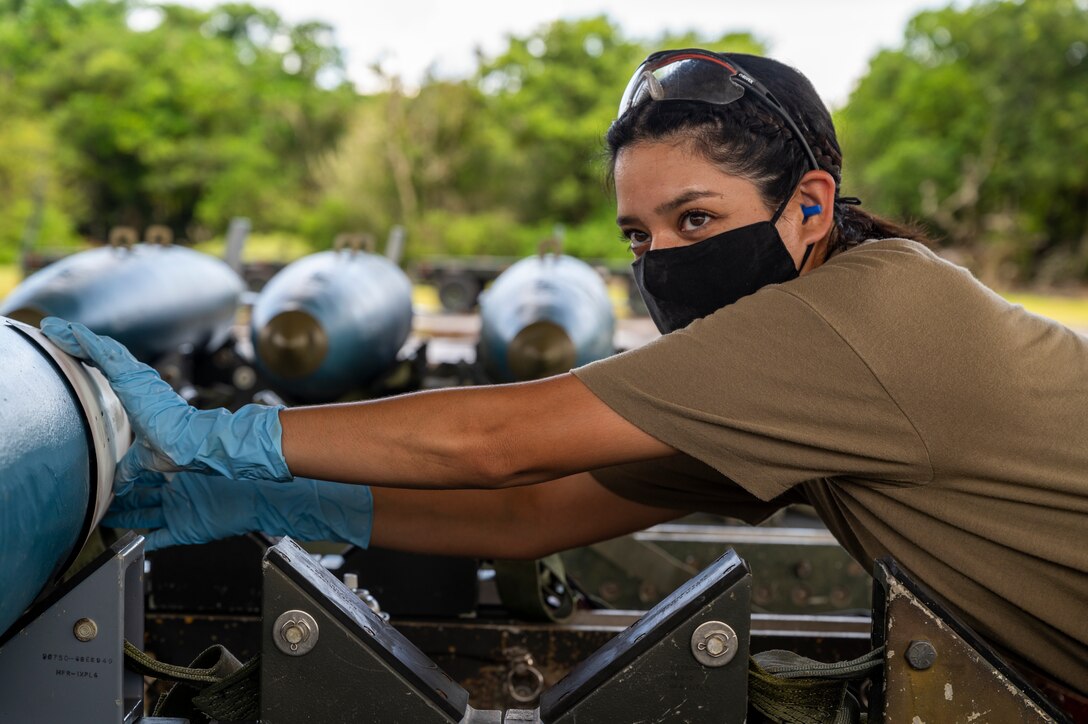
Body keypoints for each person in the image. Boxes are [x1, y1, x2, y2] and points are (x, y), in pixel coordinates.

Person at [40, 49, 1087, 704]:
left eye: (696, 220)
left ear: (809, 207)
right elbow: (526, 512)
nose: (663, 259)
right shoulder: (793, 378)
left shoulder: (862, 314)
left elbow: (497, 440)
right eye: (638, 235)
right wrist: (247, 502)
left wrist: (223, 433)